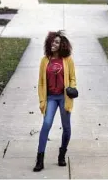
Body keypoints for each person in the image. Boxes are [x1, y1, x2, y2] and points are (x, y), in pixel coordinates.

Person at [33, 30, 77, 172]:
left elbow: (72, 78)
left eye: (57, 42)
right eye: (52, 41)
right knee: (46, 124)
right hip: (51, 97)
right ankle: (40, 159)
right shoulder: (45, 60)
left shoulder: (68, 59)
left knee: (66, 128)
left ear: (62, 45)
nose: (54, 43)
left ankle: (62, 154)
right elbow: (40, 82)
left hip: (64, 98)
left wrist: (72, 88)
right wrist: (42, 100)